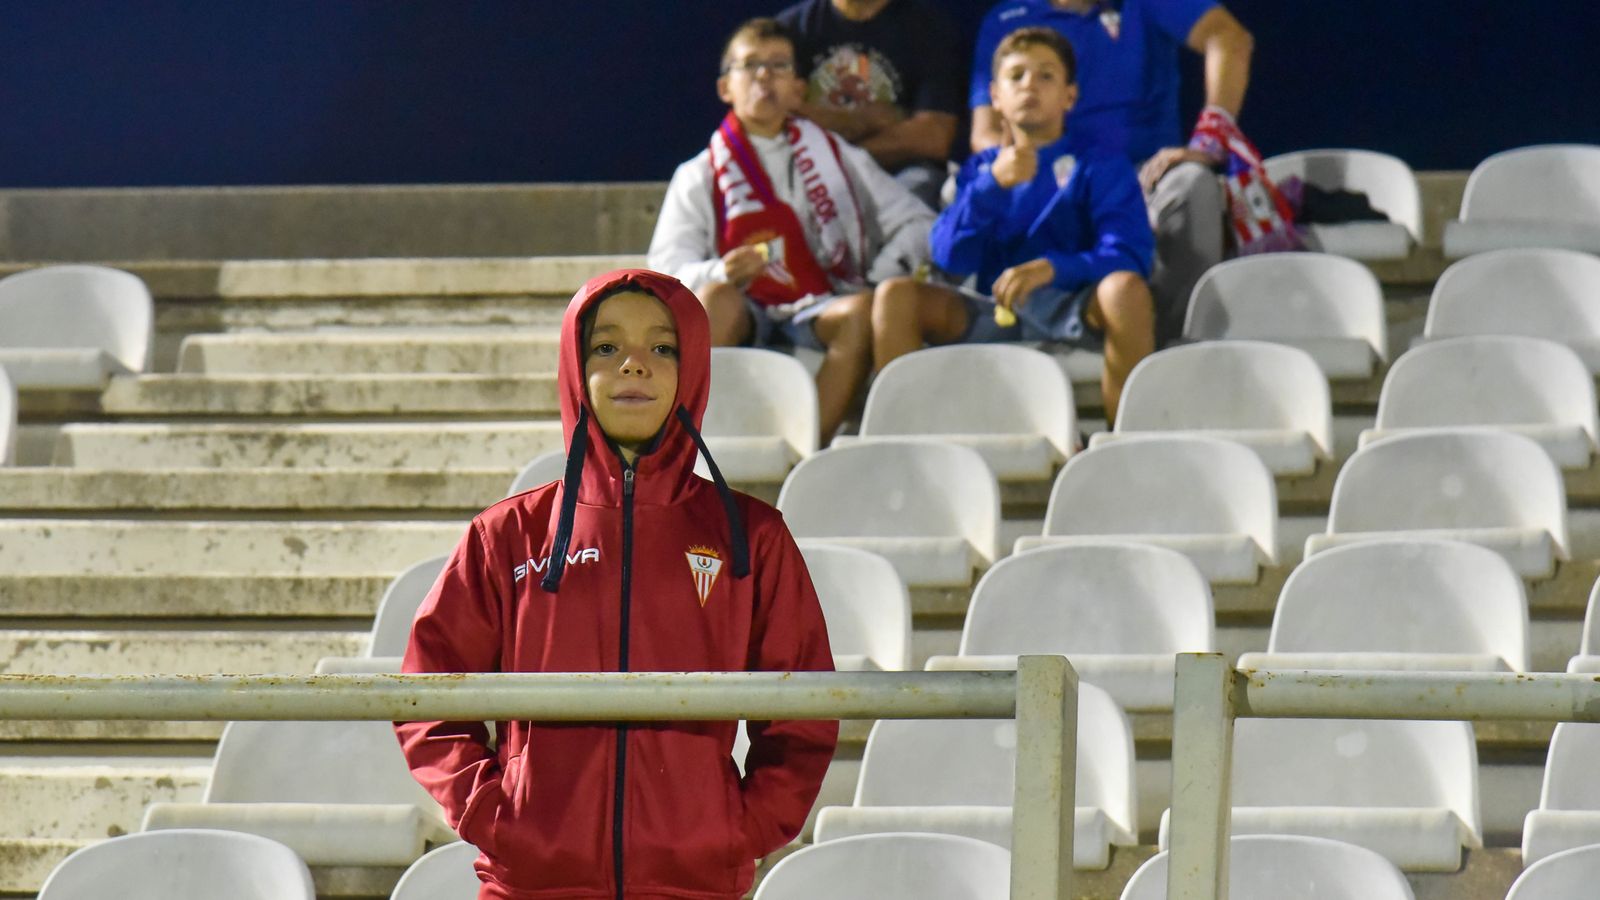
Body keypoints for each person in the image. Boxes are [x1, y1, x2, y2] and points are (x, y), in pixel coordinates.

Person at [396, 268, 839, 900]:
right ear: (575, 367)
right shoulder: (509, 535)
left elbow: (806, 712)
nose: (636, 365)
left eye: (663, 347)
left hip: (697, 883)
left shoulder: (753, 537)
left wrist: (737, 828)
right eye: (607, 347)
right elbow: (428, 693)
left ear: (693, 371)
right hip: (531, 883)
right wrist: (498, 813)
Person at [647, 17, 934, 443]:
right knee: (715, 300)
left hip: (821, 301)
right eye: (750, 66)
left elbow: (918, 222)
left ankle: (802, 455)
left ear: (799, 89)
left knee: (860, 313)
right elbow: (667, 269)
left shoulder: (837, 156)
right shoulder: (699, 173)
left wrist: (879, 273)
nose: (765, 76)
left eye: (779, 66)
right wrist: (722, 271)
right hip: (747, 309)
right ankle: (683, 451)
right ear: (726, 87)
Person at [872, 26, 1153, 422]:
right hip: (993, 309)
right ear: (996, 97)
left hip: (1073, 307)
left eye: (1046, 75)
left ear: (1069, 96)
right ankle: (902, 447)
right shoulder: (981, 170)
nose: (1029, 86)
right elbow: (949, 257)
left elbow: (1130, 255)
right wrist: (991, 187)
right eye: (1016, 76)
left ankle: (1127, 443)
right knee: (894, 296)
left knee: (1125, 290)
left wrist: (1054, 267)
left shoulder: (1101, 163)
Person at [968, 0, 1254, 341]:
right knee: (973, 189)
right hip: (1054, 178)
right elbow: (983, 134)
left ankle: (1171, 342)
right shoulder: (1005, 20)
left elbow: (1229, 37)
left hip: (1143, 175)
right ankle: (1014, 327)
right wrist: (1028, 168)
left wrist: (1208, 141)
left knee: (1191, 183)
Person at [774, 0, 964, 210]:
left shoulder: (928, 27)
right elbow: (774, 119)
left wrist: (837, 150)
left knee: (915, 200)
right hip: (810, 175)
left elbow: (933, 136)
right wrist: (867, 120)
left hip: (902, 176)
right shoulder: (789, 29)